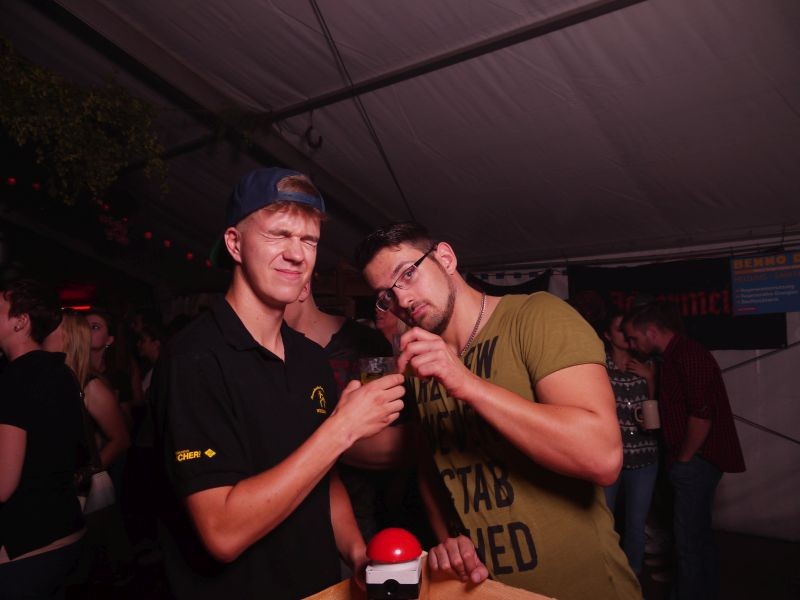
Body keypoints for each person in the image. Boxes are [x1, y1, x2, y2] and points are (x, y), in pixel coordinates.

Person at [153, 167, 406, 599]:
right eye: (278, 235)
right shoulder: (194, 360)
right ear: (235, 243)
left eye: (309, 240)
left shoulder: (309, 358)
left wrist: (356, 552)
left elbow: (322, 476)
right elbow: (222, 533)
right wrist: (343, 429)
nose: (296, 254)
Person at [355, 222, 641, 600]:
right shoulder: (422, 363)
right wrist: (450, 541)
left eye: (408, 274)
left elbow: (602, 457)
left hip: (582, 587)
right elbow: (431, 466)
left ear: (445, 258)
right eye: (386, 295)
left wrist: (467, 384)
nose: (403, 300)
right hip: (486, 591)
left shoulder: (536, 317)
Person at [284, 283, 431, 549]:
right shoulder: (266, 352)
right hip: (294, 523)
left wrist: (317, 442)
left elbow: (402, 441)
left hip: (367, 520)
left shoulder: (367, 345)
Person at [621, 302, 745, 600]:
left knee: (689, 541)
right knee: (697, 538)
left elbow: (702, 416)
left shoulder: (688, 355)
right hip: (689, 460)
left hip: (697, 461)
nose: (632, 345)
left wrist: (685, 459)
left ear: (651, 331)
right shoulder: (672, 357)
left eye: (634, 338)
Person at [0, 279, 86, 599]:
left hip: (27, 545)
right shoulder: (61, 372)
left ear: (21, 321)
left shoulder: (16, 378)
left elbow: (3, 483)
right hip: (65, 532)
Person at [43, 311, 134, 585]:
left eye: (52, 328)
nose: (43, 332)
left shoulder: (91, 386)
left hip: (86, 489)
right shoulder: (55, 380)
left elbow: (121, 439)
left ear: (68, 337)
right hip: (62, 487)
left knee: (94, 564)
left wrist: (83, 474)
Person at [600, 311, 660, 576]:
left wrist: (650, 379)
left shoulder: (647, 364)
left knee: (636, 524)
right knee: (605, 521)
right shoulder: (599, 366)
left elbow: (654, 416)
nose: (625, 335)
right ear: (607, 335)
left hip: (644, 456)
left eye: (627, 330)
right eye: (619, 329)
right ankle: (608, 576)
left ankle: (632, 579)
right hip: (610, 456)